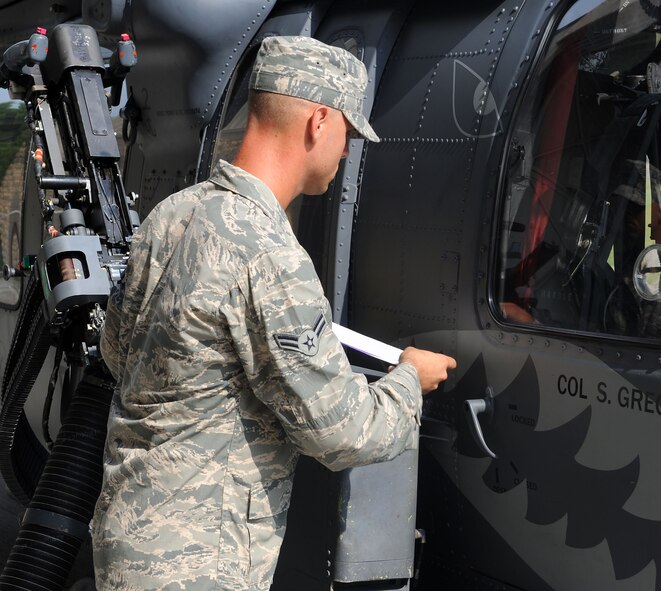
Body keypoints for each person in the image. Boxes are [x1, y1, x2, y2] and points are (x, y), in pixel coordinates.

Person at [92, 36, 456, 591]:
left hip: (129, 542)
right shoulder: (269, 254)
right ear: (318, 122)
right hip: (199, 564)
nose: (344, 151)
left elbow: (116, 352)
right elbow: (346, 432)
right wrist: (410, 380)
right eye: (346, 134)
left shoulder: (172, 216)